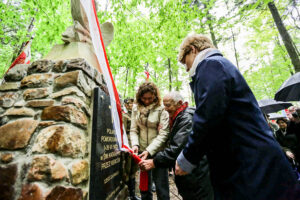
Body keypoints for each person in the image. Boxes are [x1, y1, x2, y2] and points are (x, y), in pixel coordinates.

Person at [175, 34, 299, 200]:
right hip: (251, 164)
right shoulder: (221, 66)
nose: (186, 69)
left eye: (186, 62)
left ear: (193, 50)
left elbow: (208, 115)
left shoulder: (210, 65)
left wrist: (187, 158)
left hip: (251, 166)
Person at [139, 91, 214, 200]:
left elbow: (177, 148)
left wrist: (154, 162)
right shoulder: (177, 118)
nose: (165, 108)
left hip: (197, 174)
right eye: (164, 105)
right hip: (191, 173)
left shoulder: (187, 119)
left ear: (179, 103)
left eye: (168, 105)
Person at [130, 82, 170, 200]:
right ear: (139, 97)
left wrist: (149, 150)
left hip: (158, 152)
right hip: (141, 152)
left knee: (161, 186)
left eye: (150, 98)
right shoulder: (135, 108)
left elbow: (164, 134)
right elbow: (133, 130)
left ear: (155, 96)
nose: (147, 101)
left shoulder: (162, 109)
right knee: (144, 186)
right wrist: (135, 144)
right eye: (144, 98)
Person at [122, 98, 141, 200]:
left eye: (133, 103)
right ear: (125, 104)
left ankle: (133, 194)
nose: (132, 105)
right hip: (128, 146)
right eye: (129, 103)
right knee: (128, 170)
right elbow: (123, 132)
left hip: (135, 145)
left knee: (134, 169)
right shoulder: (124, 115)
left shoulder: (134, 115)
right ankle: (128, 194)